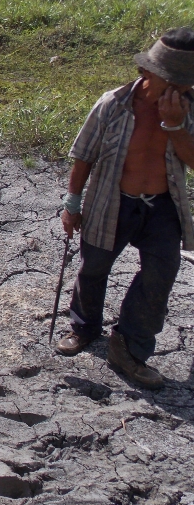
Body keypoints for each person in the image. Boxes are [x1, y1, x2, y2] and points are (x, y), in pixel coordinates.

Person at [55, 27, 194, 390]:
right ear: (148, 74)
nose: (182, 89)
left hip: (163, 207)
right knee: (94, 266)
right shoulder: (113, 105)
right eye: (175, 81)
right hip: (111, 201)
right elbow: (83, 156)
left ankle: (128, 348)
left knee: (159, 276)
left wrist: (177, 126)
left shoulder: (189, 109)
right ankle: (84, 328)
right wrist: (72, 204)